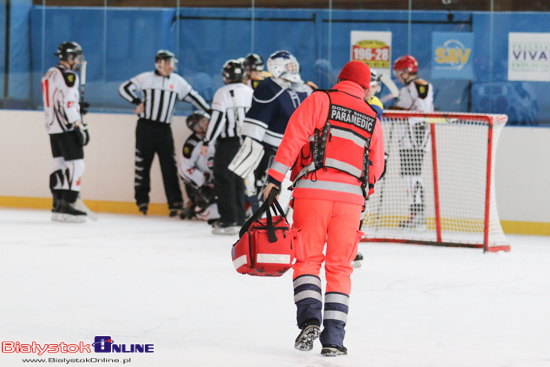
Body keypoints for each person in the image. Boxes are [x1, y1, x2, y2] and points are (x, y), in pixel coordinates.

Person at [263, 61, 385, 356]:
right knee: (340, 268)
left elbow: (292, 140)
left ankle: (309, 318)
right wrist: (361, 194)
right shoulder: (372, 117)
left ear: (340, 79)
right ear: (366, 88)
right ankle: (334, 340)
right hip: (351, 202)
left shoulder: (320, 100)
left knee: (307, 260)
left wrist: (274, 180)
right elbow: (377, 167)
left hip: (312, 194)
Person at [119, 50, 210, 217]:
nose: (171, 66)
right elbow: (124, 88)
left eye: (172, 63)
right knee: (142, 164)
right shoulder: (146, 78)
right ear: (159, 63)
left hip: (164, 129)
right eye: (168, 63)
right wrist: (137, 102)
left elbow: (195, 98)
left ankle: (174, 202)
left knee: (169, 166)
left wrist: (211, 112)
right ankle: (142, 201)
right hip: (145, 127)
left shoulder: (177, 82)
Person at [230, 50, 311, 211]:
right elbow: (254, 126)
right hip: (276, 152)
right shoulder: (269, 87)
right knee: (272, 196)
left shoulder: (306, 90)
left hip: (302, 153)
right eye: (288, 65)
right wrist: (249, 153)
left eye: (293, 64)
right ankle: (264, 227)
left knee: (295, 198)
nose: (293, 68)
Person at [200, 59, 253, 234]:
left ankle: (229, 219)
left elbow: (217, 119)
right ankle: (239, 218)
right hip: (246, 141)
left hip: (228, 143)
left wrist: (208, 141)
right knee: (238, 180)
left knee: (223, 179)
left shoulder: (222, 92)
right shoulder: (249, 91)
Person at [42, 41, 90, 223]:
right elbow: (68, 102)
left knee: (59, 164)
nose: (78, 60)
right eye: (76, 57)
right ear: (69, 57)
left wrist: (78, 107)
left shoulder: (49, 73)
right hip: (66, 126)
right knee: (77, 165)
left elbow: (58, 100)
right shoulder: (69, 76)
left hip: (52, 127)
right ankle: (68, 205)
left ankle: (58, 204)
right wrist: (77, 123)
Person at [392, 55, 434, 230]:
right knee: (408, 176)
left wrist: (400, 110)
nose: (397, 76)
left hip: (415, 137)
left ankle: (418, 215)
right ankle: (415, 214)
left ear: (406, 71)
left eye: (398, 73)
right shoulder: (408, 88)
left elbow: (422, 112)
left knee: (413, 175)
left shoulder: (420, 85)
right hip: (407, 137)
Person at [178, 110, 219, 222]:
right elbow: (185, 169)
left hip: (218, 179)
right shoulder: (191, 144)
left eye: (207, 120)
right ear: (195, 127)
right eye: (203, 122)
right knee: (213, 213)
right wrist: (202, 184)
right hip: (201, 184)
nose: (207, 123)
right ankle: (194, 205)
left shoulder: (217, 136)